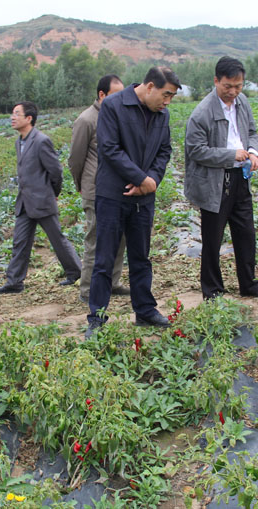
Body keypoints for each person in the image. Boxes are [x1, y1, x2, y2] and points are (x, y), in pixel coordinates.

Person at [86, 66, 180, 336]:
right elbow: (109, 148)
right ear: (150, 86)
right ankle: (97, 317)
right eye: (165, 95)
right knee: (104, 258)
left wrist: (150, 181)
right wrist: (140, 178)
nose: (167, 101)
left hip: (143, 197)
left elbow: (164, 151)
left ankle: (145, 310)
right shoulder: (114, 105)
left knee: (141, 256)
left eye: (171, 97)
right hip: (112, 195)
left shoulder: (162, 114)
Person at [185, 56, 258, 300]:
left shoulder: (242, 102)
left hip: (241, 177)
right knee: (213, 239)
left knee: (246, 233)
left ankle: (248, 284)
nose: (233, 92)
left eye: (238, 86)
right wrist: (231, 155)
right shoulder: (202, 113)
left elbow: (251, 131)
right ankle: (213, 290)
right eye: (227, 86)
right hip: (214, 182)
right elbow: (196, 150)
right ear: (216, 81)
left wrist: (252, 151)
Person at [0, 101, 82, 294]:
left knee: (57, 239)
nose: (12, 117)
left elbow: (56, 172)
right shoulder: (19, 142)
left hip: (42, 201)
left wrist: (51, 194)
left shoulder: (41, 141)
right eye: (12, 113)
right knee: (20, 241)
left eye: (17, 114)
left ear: (29, 118)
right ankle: (14, 282)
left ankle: (76, 272)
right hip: (24, 202)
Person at [68, 75, 129, 303]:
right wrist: (82, 186)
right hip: (95, 190)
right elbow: (75, 159)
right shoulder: (87, 119)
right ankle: (87, 289)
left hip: (118, 189)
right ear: (102, 95)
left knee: (120, 238)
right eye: (116, 95)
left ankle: (112, 282)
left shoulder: (118, 116)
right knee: (95, 240)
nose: (121, 99)